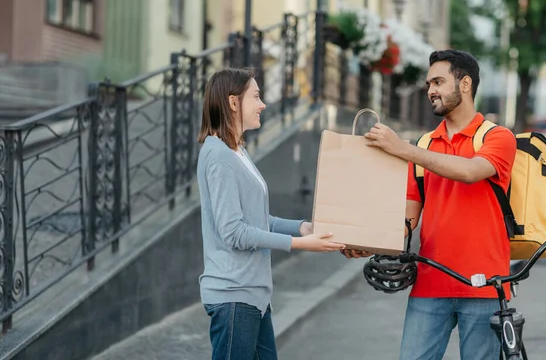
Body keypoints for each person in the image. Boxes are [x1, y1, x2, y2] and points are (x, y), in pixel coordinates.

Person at [343, 50, 517, 360]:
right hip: (429, 285)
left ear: (465, 84)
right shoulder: (424, 144)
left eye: (438, 81)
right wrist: (368, 243)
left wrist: (403, 150)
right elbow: (408, 220)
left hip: (484, 286)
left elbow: (468, 172)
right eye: (428, 84)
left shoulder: (498, 137)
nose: (430, 91)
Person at [196, 68, 346, 360]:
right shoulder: (219, 157)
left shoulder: (237, 151)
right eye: (256, 96)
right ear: (233, 103)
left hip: (253, 297)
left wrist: (303, 228)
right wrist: (302, 245)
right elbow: (234, 232)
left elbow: (257, 221)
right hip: (234, 297)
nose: (263, 104)